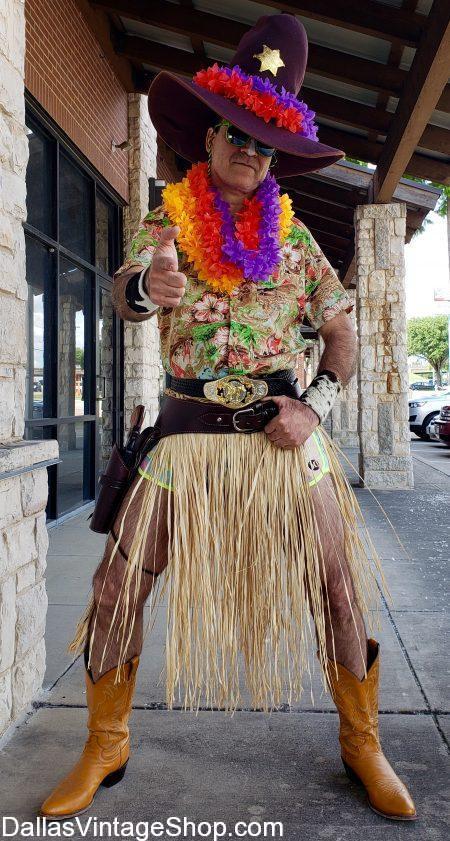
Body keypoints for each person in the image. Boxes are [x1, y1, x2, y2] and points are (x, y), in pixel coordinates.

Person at [39, 14, 416, 823]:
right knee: (115, 589)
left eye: (264, 143)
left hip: (283, 438)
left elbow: (342, 330)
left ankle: (362, 738)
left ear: (276, 158)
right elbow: (125, 293)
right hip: (183, 440)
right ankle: (105, 739)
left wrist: (315, 408)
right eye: (236, 135)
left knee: (341, 590)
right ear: (208, 140)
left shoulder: (301, 240)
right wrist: (149, 290)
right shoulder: (165, 220)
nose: (249, 150)